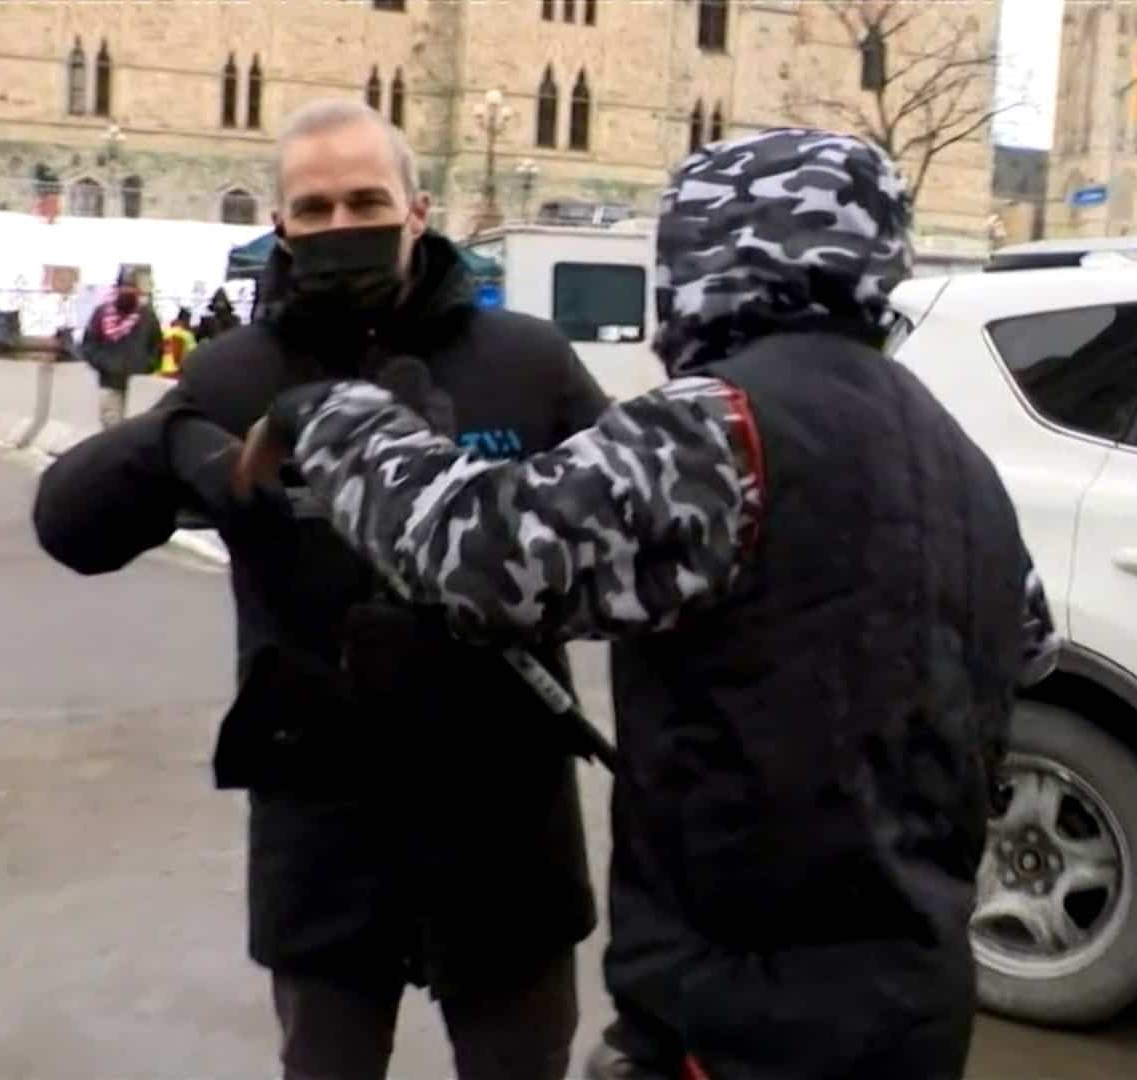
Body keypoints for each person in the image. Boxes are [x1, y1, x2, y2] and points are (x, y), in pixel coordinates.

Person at [238, 127, 1062, 1080]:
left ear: (700, 259)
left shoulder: (721, 427)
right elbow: (1029, 644)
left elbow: (481, 555)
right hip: (917, 997)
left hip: (739, 1012)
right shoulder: (958, 457)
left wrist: (333, 415)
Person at [30, 97, 610, 1080]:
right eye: (316, 208)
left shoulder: (528, 363)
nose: (343, 225)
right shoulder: (234, 374)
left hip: (504, 819)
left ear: (417, 211)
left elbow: (629, 547)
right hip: (323, 825)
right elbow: (71, 529)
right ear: (281, 225)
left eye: (366, 202)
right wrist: (171, 441)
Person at [80, 270, 161, 427]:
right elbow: (89, 345)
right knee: (112, 427)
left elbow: (157, 346)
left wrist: (146, 366)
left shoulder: (147, 315)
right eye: (124, 287)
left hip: (138, 382)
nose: (127, 291)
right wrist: (104, 364)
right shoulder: (101, 314)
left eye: (131, 287)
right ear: (116, 289)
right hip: (109, 382)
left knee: (135, 428)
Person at [160, 307, 196, 377]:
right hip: (178, 374)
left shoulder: (166, 332)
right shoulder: (187, 335)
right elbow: (193, 354)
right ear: (186, 320)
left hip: (164, 372)